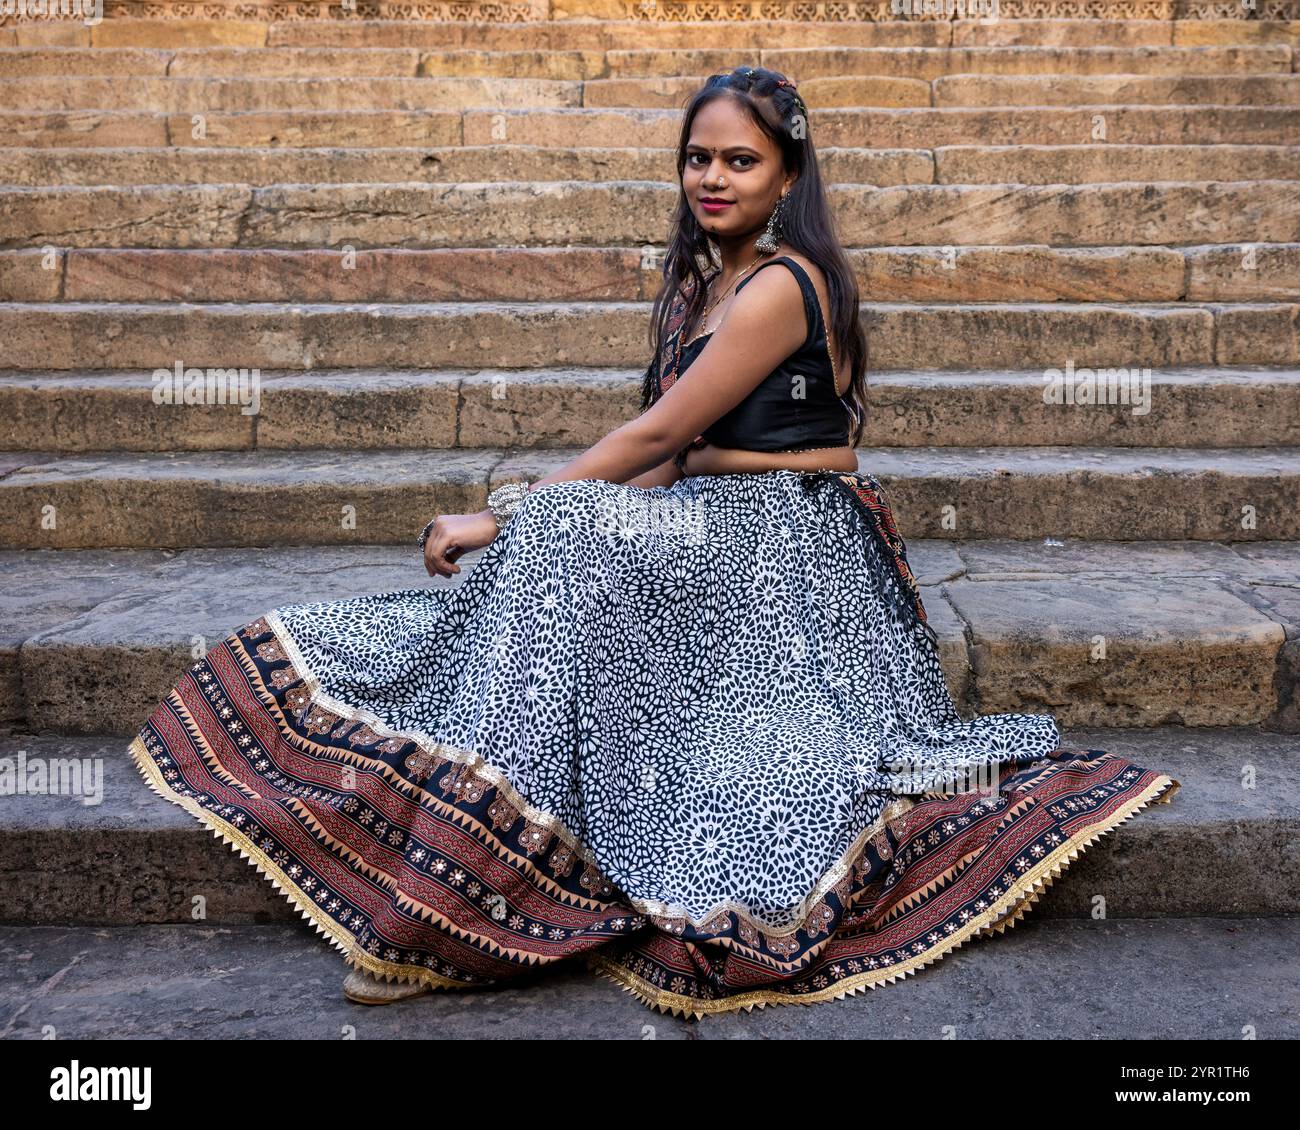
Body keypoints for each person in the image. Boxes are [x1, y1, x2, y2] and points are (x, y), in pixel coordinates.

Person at [129, 66, 1181, 1021]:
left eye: (740, 160)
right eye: (698, 156)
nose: (712, 177)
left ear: (786, 178)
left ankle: (473, 881)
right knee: (546, 551)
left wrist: (506, 511)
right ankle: (478, 839)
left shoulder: (781, 284)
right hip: (710, 523)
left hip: (790, 549)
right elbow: (666, 454)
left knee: (558, 530)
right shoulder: (697, 286)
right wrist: (539, 518)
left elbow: (661, 432)